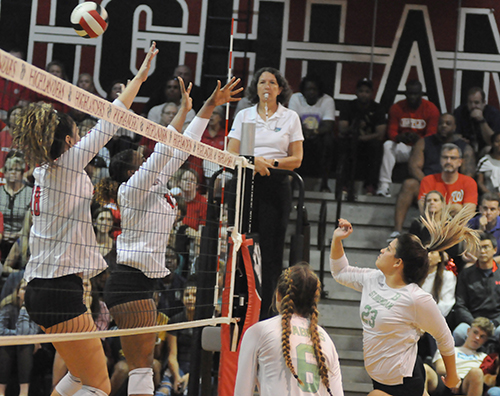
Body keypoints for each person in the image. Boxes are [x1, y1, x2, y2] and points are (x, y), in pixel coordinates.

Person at [12, 43, 159, 396]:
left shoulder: (44, 171)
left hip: (41, 289)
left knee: (78, 378)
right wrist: (140, 77)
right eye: (77, 133)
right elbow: (113, 117)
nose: (82, 137)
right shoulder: (66, 165)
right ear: (68, 140)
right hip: (60, 290)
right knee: (99, 386)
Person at [97, 77, 241, 396]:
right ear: (130, 171)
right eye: (138, 160)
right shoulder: (132, 189)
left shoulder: (156, 183)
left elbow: (180, 148)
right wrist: (196, 110)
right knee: (143, 365)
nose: (143, 159)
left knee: (143, 365)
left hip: (144, 282)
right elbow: (165, 149)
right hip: (129, 282)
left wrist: (205, 107)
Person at [330, 204, 480, 396]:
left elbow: (444, 337)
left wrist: (452, 376)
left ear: (397, 262)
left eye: (389, 248)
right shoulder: (373, 279)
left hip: (405, 382)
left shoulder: (416, 298)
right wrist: (337, 240)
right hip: (379, 378)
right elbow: (340, 272)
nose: (383, 250)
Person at [228, 66, 303, 318]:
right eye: (262, 82)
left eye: (272, 82)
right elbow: (231, 152)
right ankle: (239, 307)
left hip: (277, 183)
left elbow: (297, 159)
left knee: (271, 252)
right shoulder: (245, 116)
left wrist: (270, 164)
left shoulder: (290, 117)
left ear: (280, 89)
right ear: (256, 88)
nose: (267, 87)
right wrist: (253, 161)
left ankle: (269, 313)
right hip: (246, 182)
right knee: (242, 245)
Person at [234, 264, 344, 396]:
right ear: (313, 302)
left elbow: (242, 391)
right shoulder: (326, 340)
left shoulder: (259, 331)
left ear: (278, 296)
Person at [388, 113, 474, 241]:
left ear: (455, 127)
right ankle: (397, 231)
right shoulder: (424, 142)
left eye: (448, 123)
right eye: (441, 123)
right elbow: (413, 166)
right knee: (409, 184)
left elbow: (468, 173)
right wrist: (431, 184)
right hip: (430, 185)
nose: (444, 126)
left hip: (454, 187)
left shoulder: (464, 147)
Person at [377, 80, 440, 197]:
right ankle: (384, 186)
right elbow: (391, 131)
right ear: (405, 94)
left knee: (431, 148)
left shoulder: (431, 109)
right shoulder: (397, 107)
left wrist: (419, 139)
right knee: (388, 145)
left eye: (415, 94)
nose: (412, 97)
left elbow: (432, 134)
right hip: (404, 147)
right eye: (410, 94)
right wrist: (400, 137)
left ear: (421, 94)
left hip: (421, 150)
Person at [337, 78, 386, 196]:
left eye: (367, 91)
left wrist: (364, 138)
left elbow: (380, 133)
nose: (364, 94)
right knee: (344, 144)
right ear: (356, 92)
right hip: (352, 139)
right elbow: (342, 128)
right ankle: (345, 184)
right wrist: (354, 127)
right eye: (361, 91)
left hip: (369, 141)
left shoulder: (377, 108)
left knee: (376, 147)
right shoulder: (349, 106)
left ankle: (370, 186)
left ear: (371, 93)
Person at [288, 73, 335, 192]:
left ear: (319, 91)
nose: (311, 92)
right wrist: (305, 133)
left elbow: (328, 125)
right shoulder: (295, 98)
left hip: (318, 137)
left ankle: (324, 184)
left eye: (314, 89)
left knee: (328, 140)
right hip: (300, 136)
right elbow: (293, 122)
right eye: (308, 89)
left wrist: (313, 132)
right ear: (303, 90)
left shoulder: (327, 100)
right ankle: (291, 183)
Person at [425, 317, 493, 396]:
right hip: (445, 379)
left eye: (482, 336)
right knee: (425, 368)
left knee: (476, 373)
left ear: (485, 340)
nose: (477, 338)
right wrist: (454, 377)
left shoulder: (485, 357)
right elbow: (440, 367)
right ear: (468, 331)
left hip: (467, 384)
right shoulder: (449, 349)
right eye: (475, 332)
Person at [454, 232, 500, 345]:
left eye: (486, 247)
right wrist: (474, 323)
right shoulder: (466, 274)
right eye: (479, 247)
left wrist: (495, 322)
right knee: (459, 333)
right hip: (473, 320)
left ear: (495, 250)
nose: (482, 251)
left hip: (496, 321)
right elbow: (460, 304)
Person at [0, 279, 40, 396]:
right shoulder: (8, 307)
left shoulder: (36, 311)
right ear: (17, 292)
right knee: (6, 345)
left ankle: (24, 392)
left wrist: (24, 308)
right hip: (8, 344)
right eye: (23, 289)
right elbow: (1, 330)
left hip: (26, 347)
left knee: (25, 345)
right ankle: (1, 391)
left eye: (29, 290)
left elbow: (29, 332)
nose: (26, 292)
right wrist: (17, 337)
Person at [418, 143, 477, 216]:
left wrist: (438, 209)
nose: (448, 161)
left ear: (460, 162)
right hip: (434, 226)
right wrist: (456, 207)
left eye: (453, 158)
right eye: (445, 157)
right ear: (440, 160)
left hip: (460, 226)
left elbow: (469, 214)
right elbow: (425, 212)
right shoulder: (428, 180)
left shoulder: (469, 182)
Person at [0, 154, 32, 260]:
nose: (13, 172)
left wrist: (19, 234)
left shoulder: (30, 193)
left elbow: (31, 222)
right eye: (10, 169)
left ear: (23, 173)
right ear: (4, 172)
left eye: (17, 169)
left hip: (22, 241)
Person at [454, 86, 500, 153]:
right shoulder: (460, 112)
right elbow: (454, 134)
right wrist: (459, 139)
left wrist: (482, 120)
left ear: (484, 103)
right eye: (470, 102)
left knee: (489, 149)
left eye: (476, 103)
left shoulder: (493, 114)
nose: (473, 106)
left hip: (485, 147)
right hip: (466, 147)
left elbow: (493, 142)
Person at [469, 193, 500, 261]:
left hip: (497, 262)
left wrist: (489, 262)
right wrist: (480, 230)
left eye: (492, 209)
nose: (488, 212)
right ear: (480, 209)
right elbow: (469, 253)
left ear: (498, 211)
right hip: (477, 263)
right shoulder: (471, 223)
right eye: (485, 208)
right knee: (468, 265)